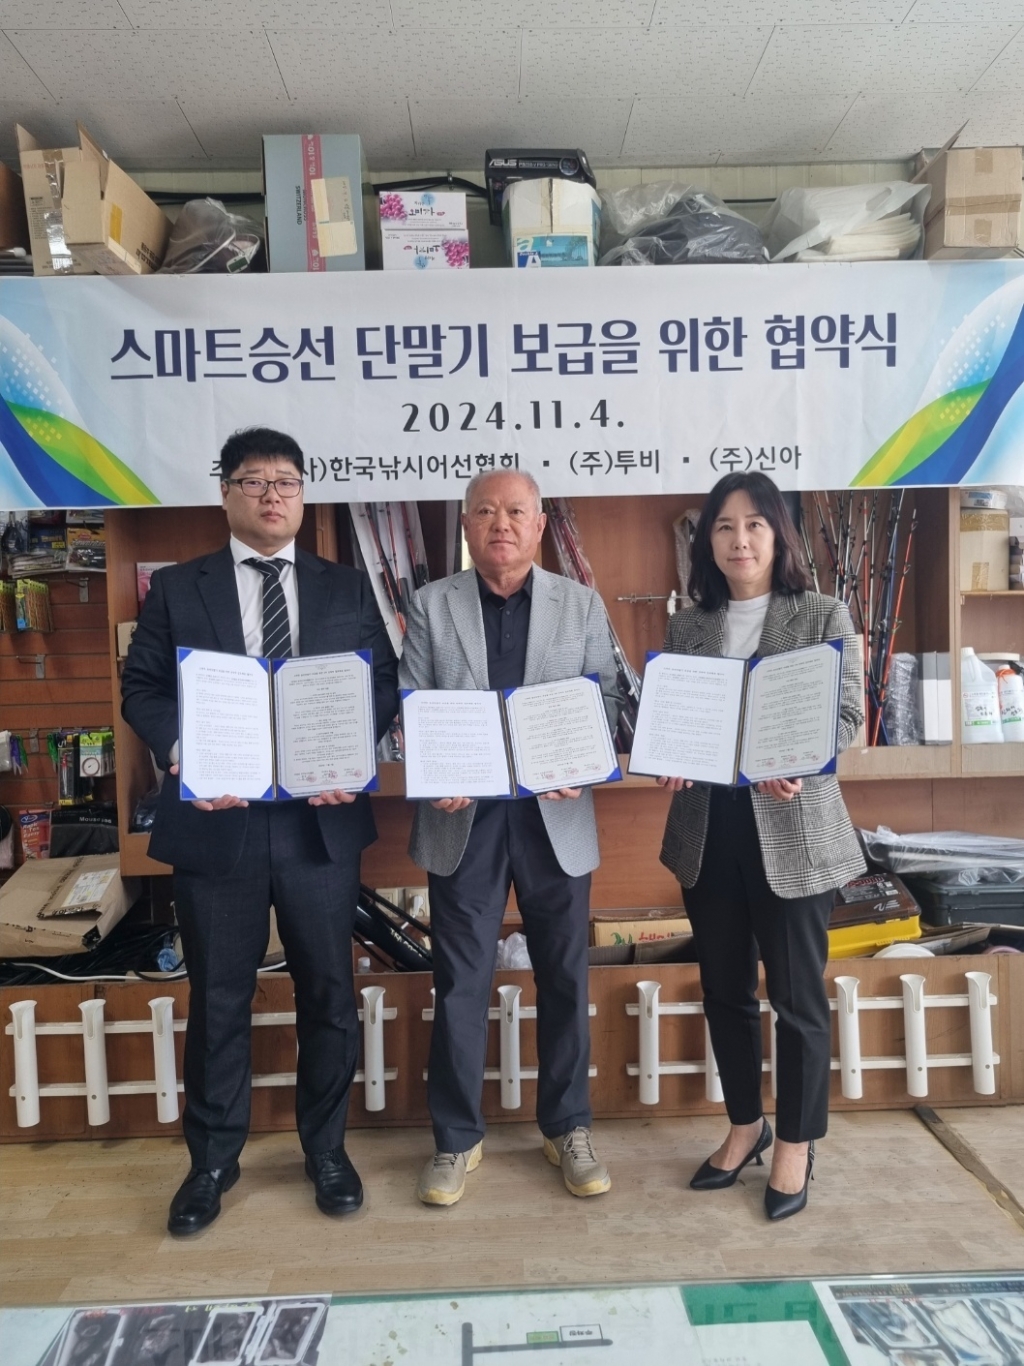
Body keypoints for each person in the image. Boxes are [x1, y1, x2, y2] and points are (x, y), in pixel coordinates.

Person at [121, 426, 399, 1235]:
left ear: (303, 495)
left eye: (286, 481)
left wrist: (352, 752)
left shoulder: (346, 587)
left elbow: (382, 683)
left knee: (330, 993)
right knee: (217, 998)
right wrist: (183, 752)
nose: (272, 494)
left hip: (320, 824)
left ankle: (327, 1150)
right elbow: (143, 686)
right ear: (226, 494)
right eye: (254, 481)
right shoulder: (180, 588)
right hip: (219, 823)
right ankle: (211, 1162)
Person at [399, 469, 620, 1206]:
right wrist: (433, 770)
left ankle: (568, 1127)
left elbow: (606, 697)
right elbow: (411, 701)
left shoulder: (580, 603)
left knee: (564, 975)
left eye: (516, 512)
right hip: (463, 818)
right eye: (487, 511)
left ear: (539, 525)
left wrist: (583, 760)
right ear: (467, 525)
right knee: (461, 980)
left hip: (555, 816)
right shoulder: (432, 604)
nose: (502, 524)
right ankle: (455, 1139)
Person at [658, 471, 865, 1221]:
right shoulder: (688, 626)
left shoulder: (821, 614)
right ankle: (747, 1125)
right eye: (723, 526)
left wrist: (799, 758)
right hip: (708, 831)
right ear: (707, 543)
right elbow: (677, 718)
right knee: (725, 991)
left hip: (793, 828)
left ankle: (796, 1144)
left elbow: (848, 716)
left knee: (798, 998)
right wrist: (669, 751)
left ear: (779, 536)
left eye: (754, 525)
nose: (739, 540)